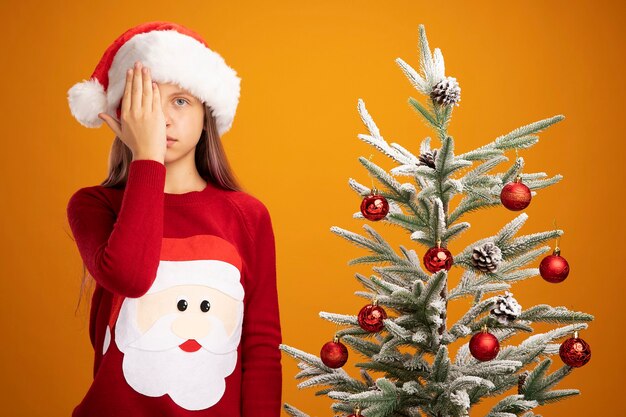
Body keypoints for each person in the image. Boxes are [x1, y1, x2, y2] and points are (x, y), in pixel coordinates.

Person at [65, 21, 282, 416]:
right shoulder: (94, 205)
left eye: (180, 101)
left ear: (207, 115)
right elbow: (130, 276)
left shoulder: (248, 216)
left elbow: (262, 348)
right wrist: (147, 157)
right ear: (120, 116)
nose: (161, 119)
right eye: (144, 101)